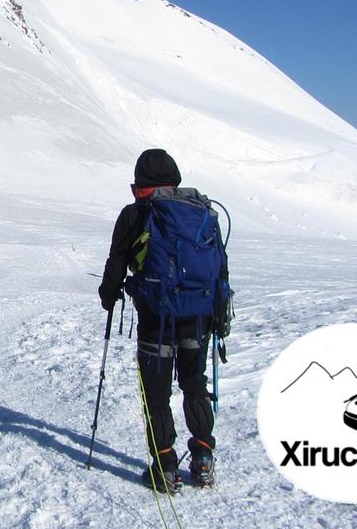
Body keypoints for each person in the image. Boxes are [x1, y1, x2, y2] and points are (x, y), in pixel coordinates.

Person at [97, 149, 228, 492]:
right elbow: (220, 266)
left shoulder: (135, 214)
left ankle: (166, 466)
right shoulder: (201, 211)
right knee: (194, 383)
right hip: (198, 318)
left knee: (156, 394)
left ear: (140, 183)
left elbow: (117, 262)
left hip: (156, 318)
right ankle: (203, 459)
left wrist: (108, 296)